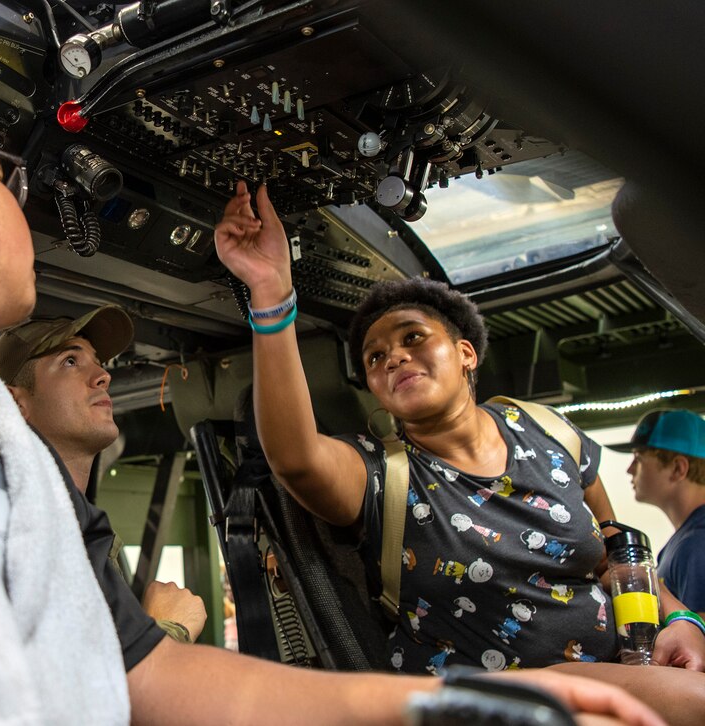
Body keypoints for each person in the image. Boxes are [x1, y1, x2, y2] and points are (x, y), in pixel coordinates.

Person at [0, 55, 666, 726]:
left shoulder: (10, 459)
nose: (19, 208)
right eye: (5, 174)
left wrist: (453, 702)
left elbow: (155, 679)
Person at [214, 179, 705, 721]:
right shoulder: (384, 474)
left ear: (466, 353)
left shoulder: (543, 428)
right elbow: (295, 456)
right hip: (503, 700)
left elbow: (619, 552)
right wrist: (270, 293)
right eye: (375, 359)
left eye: (412, 338)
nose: (392, 358)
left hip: (617, 672)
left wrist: (683, 619)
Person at [0, 306, 208, 642]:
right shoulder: (15, 530)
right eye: (70, 361)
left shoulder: (78, 528)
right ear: (15, 404)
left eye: (97, 362)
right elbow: (68, 686)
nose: (104, 376)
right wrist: (168, 630)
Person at [626, 409, 705, 612]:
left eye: (639, 458)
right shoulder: (688, 540)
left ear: (678, 468)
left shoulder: (697, 543)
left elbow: (699, 640)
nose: (629, 469)